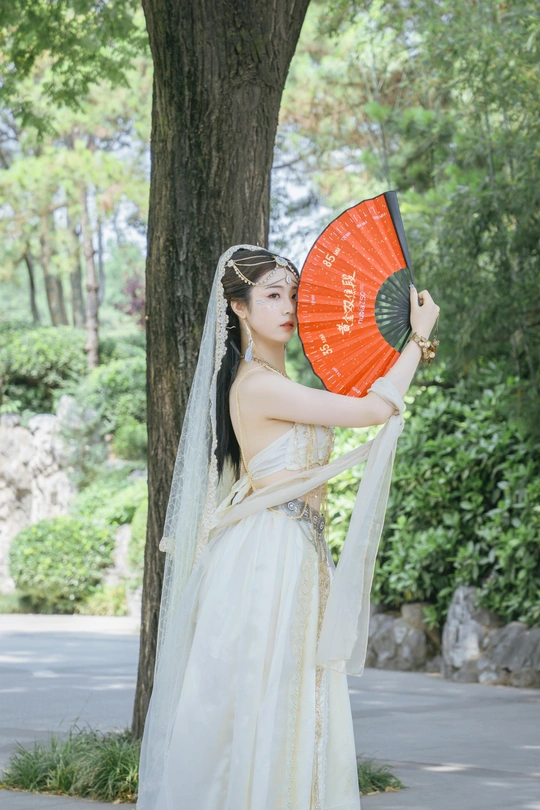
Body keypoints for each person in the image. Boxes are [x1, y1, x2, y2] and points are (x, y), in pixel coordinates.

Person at [136, 244, 440, 810]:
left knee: (292, 696)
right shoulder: (257, 384)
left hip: (292, 548)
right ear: (238, 307)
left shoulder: (279, 380)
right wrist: (417, 338)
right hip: (267, 554)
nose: (289, 308)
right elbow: (373, 411)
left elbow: (363, 399)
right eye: (272, 296)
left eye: (294, 296)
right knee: (268, 694)